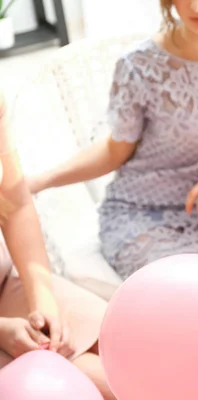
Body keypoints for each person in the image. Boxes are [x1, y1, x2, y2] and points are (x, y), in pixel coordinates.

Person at [27, 0, 198, 289]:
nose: (197, 7)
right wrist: (41, 181)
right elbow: (113, 152)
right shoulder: (139, 66)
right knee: (182, 302)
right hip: (143, 213)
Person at [0, 95, 114, 398]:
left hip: (5, 282)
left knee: (132, 348)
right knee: (102, 384)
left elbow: (15, 204)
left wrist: (43, 298)